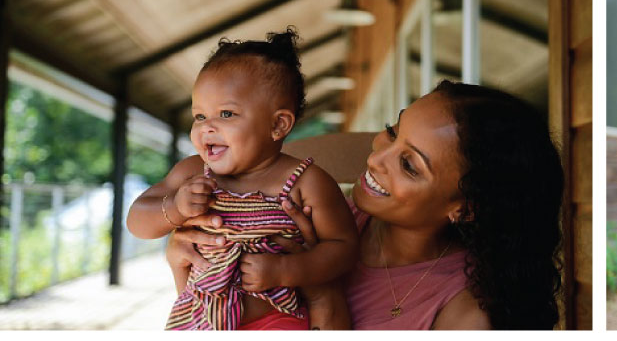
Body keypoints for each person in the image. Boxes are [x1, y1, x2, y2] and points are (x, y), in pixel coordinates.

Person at [164, 81, 565, 330]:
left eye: (409, 165)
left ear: (466, 207)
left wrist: (322, 291)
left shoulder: (464, 315)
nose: (375, 159)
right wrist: (186, 263)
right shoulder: (319, 212)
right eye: (392, 131)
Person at [126, 27, 357, 330]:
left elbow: (344, 248)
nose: (207, 127)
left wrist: (289, 269)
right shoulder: (193, 171)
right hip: (197, 319)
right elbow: (136, 221)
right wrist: (176, 207)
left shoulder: (305, 182)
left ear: (278, 125)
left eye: (226, 114)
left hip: (276, 320)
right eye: (199, 116)